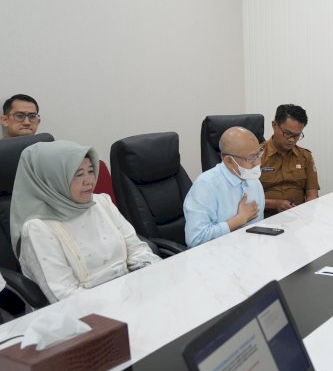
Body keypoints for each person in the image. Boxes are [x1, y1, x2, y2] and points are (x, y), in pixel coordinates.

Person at [10, 141, 159, 303]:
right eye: (79, 174)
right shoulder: (37, 228)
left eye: (90, 171)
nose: (89, 181)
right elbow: (63, 294)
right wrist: (118, 302)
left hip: (130, 293)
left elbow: (137, 251)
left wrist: (154, 279)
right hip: (87, 315)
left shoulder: (101, 202)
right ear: (53, 179)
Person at [184, 126, 265, 248]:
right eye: (251, 158)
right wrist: (238, 220)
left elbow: (258, 226)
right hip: (216, 256)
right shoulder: (205, 186)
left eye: (259, 154)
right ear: (229, 161)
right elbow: (195, 239)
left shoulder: (254, 181)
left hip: (250, 250)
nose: (257, 163)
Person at [260, 104, 320, 215]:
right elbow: (243, 200)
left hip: (298, 218)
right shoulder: (255, 155)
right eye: (287, 134)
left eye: (297, 135)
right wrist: (274, 204)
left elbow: (312, 194)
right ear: (274, 125)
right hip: (264, 219)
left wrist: (308, 215)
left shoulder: (305, 156)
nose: (292, 140)